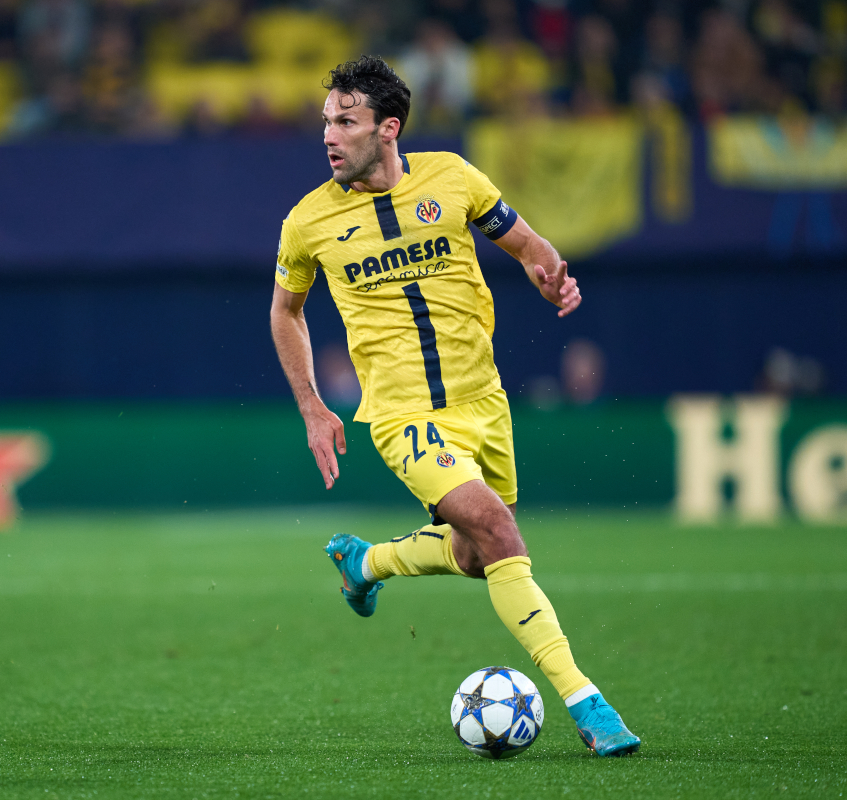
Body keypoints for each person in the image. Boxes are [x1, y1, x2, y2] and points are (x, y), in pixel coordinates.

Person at [269, 55, 640, 757]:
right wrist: (314, 406)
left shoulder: (454, 178)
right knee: (499, 530)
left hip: (483, 402)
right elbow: (285, 312)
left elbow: (529, 245)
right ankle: (587, 702)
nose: (330, 136)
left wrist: (549, 277)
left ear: (389, 127)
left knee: (476, 556)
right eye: (326, 122)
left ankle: (368, 564)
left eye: (345, 122)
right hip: (403, 415)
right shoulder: (308, 221)